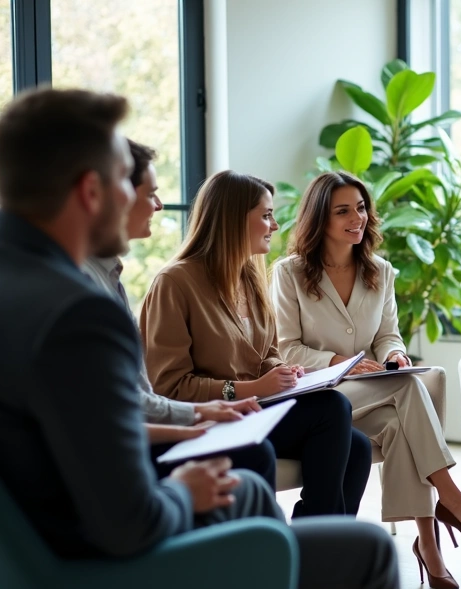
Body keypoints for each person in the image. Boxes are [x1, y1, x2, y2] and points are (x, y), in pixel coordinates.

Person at [0, 88, 399, 589]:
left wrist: (196, 419)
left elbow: (80, 430)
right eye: (128, 181)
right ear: (89, 191)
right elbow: (128, 524)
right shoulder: (77, 315)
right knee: (370, 556)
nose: (146, 199)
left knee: (255, 488)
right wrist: (183, 491)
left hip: (6, 570)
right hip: (90, 576)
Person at [272, 171, 461, 589]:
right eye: (343, 210)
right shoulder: (288, 274)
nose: (356, 218)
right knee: (410, 389)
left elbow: (387, 335)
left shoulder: (381, 270)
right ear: (319, 218)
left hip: (366, 394)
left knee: (402, 423)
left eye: (361, 208)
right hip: (317, 396)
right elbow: (287, 349)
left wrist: (394, 354)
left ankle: (429, 547)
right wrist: (343, 362)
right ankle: (452, 502)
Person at [139, 169, 371, 518]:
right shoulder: (175, 283)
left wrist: (282, 371)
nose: (275, 225)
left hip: (253, 413)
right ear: (233, 221)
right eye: (265, 216)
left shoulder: (249, 277)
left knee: (359, 447)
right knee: (332, 408)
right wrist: (250, 387)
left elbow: (268, 354)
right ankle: (321, 546)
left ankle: (315, 545)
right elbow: (168, 386)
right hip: (209, 422)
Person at [81, 139, 275, 484]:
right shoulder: (92, 285)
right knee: (257, 455)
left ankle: (300, 536)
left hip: (154, 426)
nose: (159, 206)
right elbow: (153, 393)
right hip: (115, 452)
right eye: (150, 193)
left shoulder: (109, 276)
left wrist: (205, 412)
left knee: (333, 415)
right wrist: (203, 414)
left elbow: (136, 397)